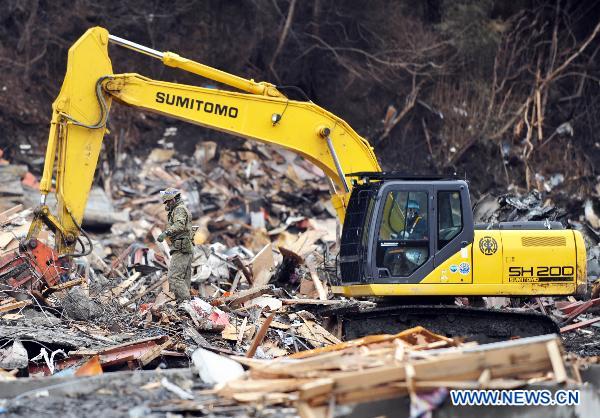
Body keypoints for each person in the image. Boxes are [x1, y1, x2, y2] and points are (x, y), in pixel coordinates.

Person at [156, 188, 193, 302]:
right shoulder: (180, 208)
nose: (166, 204)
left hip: (181, 248)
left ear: (172, 199)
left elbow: (180, 225)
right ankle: (186, 304)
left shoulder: (179, 209)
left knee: (174, 277)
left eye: (167, 202)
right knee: (184, 278)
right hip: (185, 246)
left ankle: (186, 303)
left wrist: (166, 233)